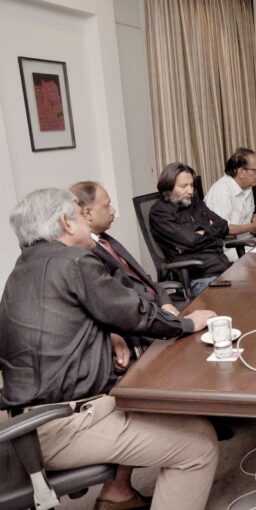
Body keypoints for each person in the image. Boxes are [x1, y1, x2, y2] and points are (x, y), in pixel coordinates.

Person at [0, 188, 219, 510]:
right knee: (198, 448)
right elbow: (135, 313)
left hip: (36, 420)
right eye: (79, 214)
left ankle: (119, 494)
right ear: (65, 222)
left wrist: (109, 332)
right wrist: (188, 323)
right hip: (64, 421)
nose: (87, 222)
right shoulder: (74, 261)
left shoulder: (21, 270)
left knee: (194, 423)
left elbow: (68, 323)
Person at [71, 181, 182, 350]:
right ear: (87, 213)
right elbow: (123, 304)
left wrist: (166, 303)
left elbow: (145, 281)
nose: (113, 210)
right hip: (146, 326)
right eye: (107, 206)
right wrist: (168, 317)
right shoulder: (88, 255)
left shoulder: (106, 240)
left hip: (161, 309)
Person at [150, 162, 230, 297]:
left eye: (192, 185)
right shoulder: (160, 213)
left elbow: (223, 226)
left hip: (223, 268)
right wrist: (211, 231)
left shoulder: (194, 202)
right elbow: (191, 240)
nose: (190, 191)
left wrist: (202, 232)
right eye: (184, 186)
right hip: (200, 278)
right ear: (168, 187)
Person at [205, 147, 256, 262]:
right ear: (241, 172)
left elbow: (243, 214)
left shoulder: (247, 188)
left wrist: (254, 217)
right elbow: (222, 229)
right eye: (255, 170)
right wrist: (252, 227)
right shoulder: (221, 190)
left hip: (246, 241)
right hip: (227, 248)